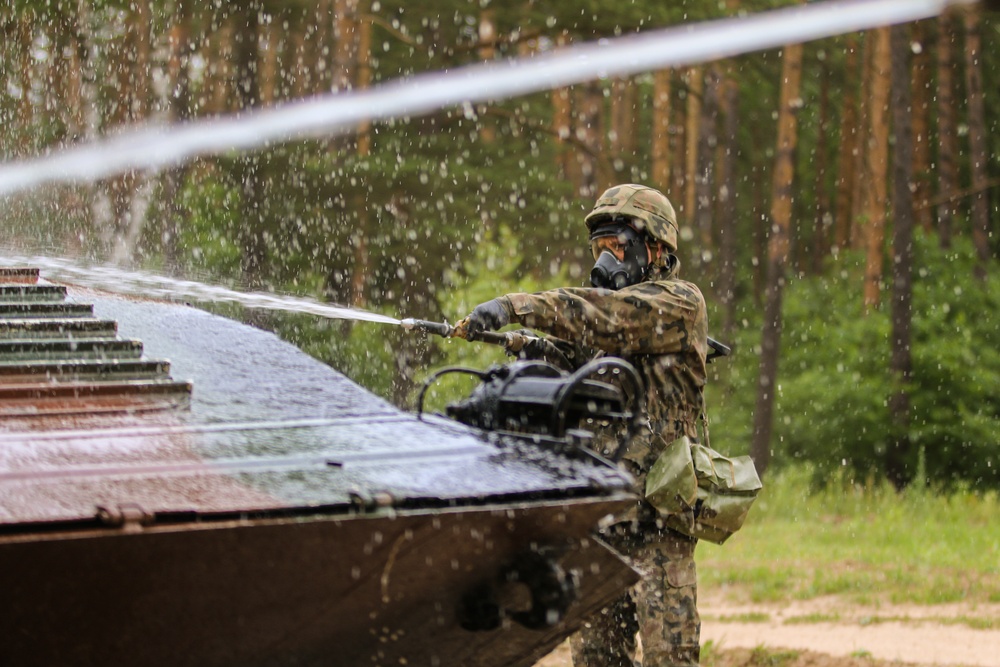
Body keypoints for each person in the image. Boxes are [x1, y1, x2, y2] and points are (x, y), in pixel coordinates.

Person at [462, 183, 708, 667]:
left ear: (654, 248)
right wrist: (521, 344)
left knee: (670, 657)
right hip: (603, 520)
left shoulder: (679, 302)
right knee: (597, 658)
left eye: (617, 247)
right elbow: (579, 363)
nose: (606, 261)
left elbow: (605, 318)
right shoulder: (608, 322)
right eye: (600, 249)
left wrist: (516, 304)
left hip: (659, 519)